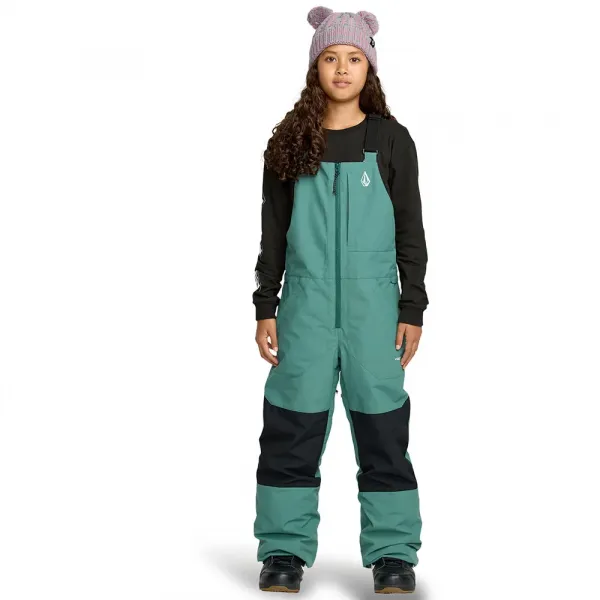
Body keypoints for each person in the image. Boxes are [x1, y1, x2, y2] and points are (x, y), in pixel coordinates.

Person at [251, 6, 429, 595]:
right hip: (303, 309)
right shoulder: (289, 141)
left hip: (375, 313)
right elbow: (273, 231)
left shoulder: (391, 141)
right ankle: (283, 548)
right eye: (331, 57)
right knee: (291, 428)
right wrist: (266, 304)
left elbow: (411, 232)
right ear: (315, 67)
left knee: (383, 432)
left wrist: (412, 307)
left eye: (354, 58)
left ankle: (393, 553)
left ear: (369, 67)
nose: (343, 68)